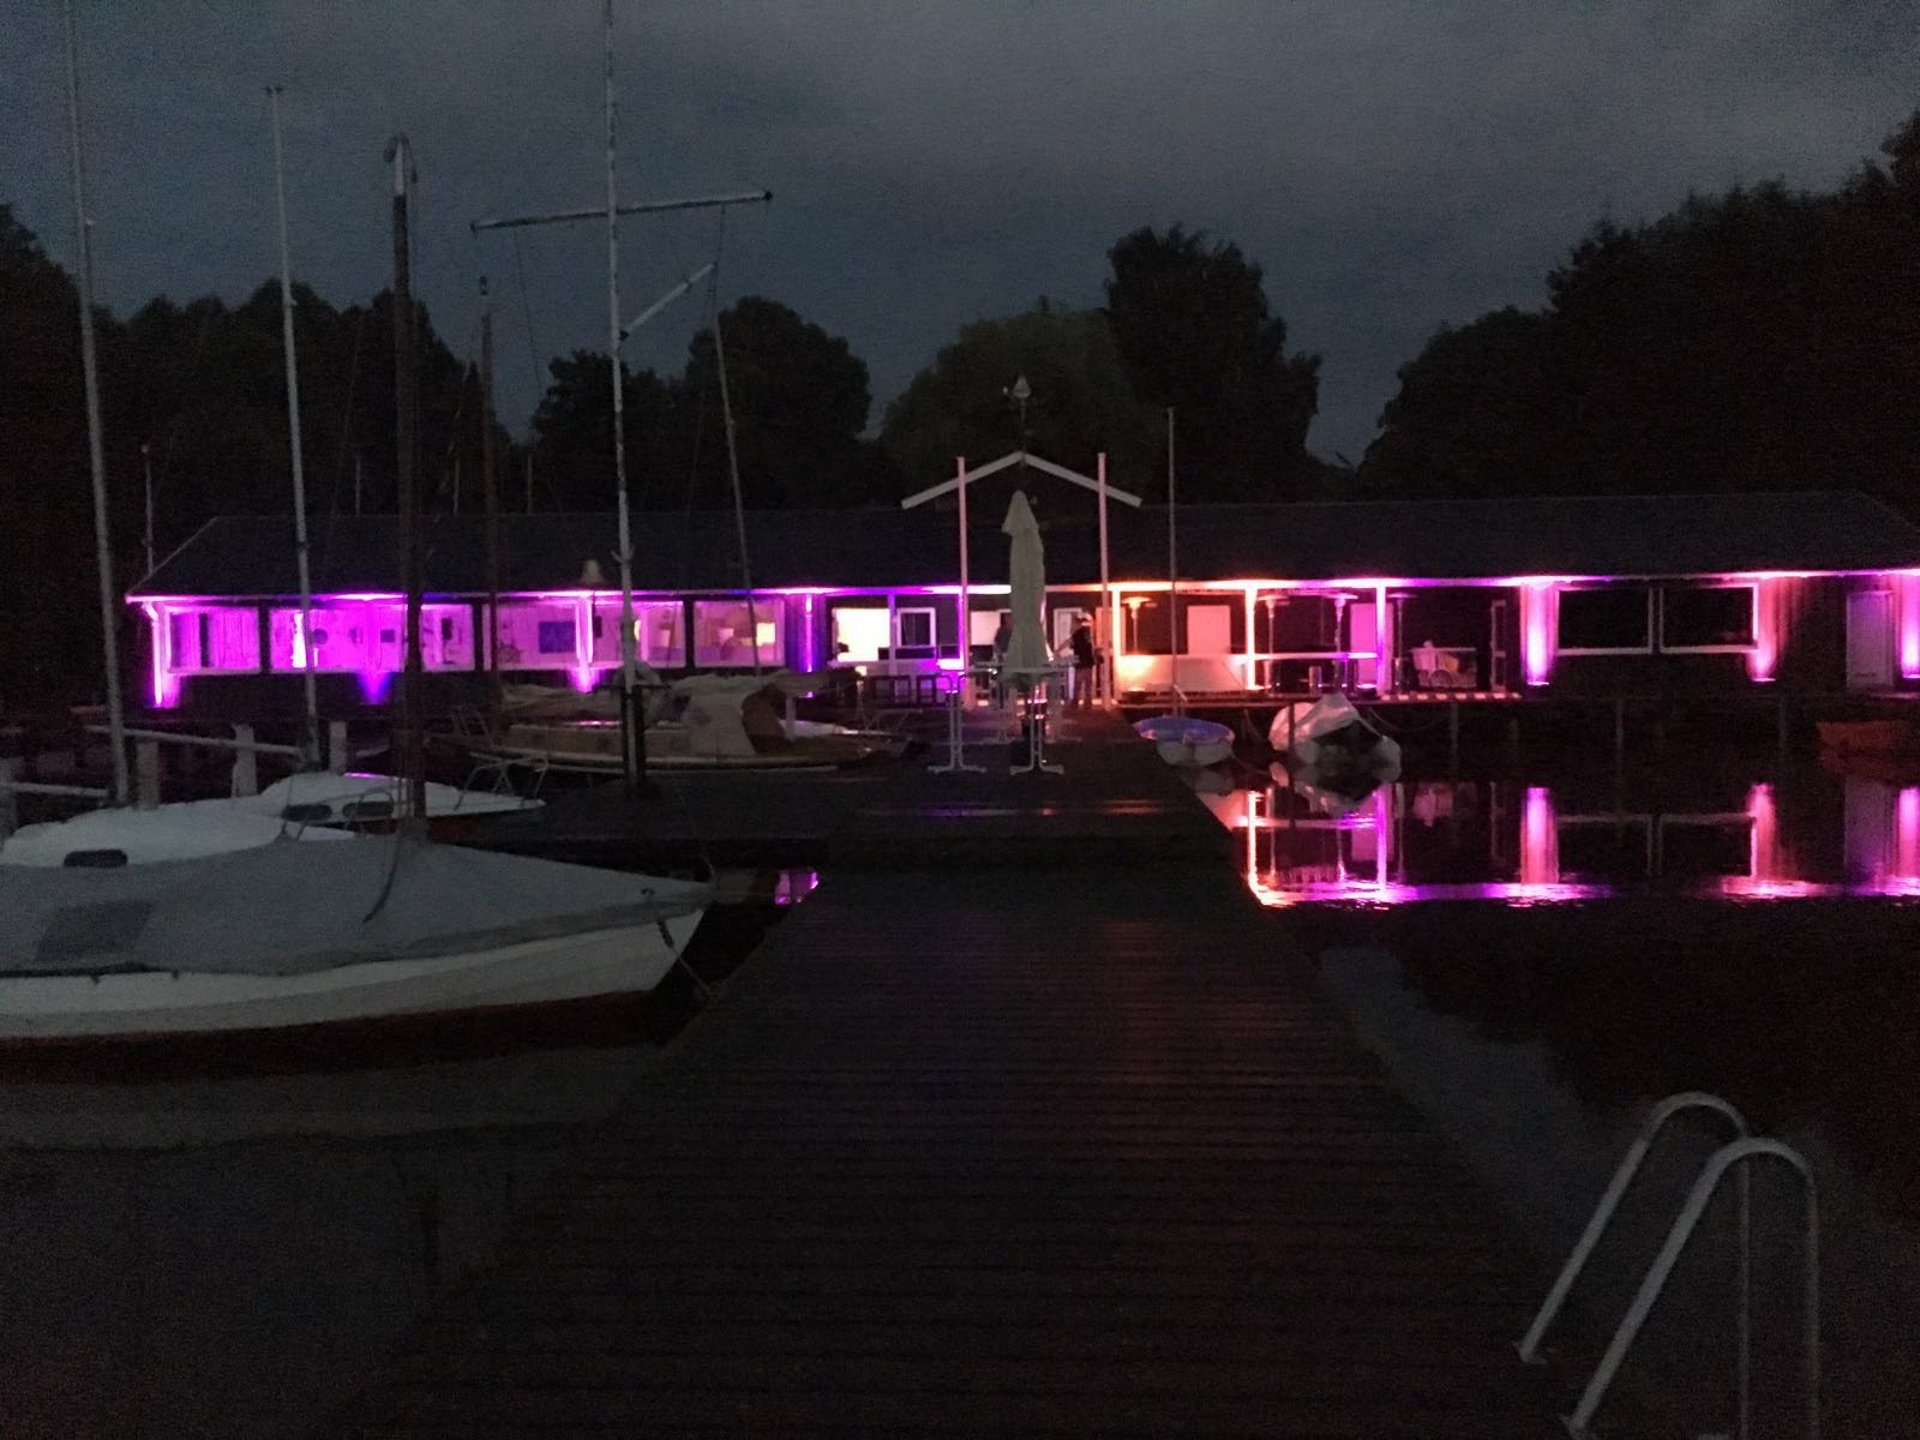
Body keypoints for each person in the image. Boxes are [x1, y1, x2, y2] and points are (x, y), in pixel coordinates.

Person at [1068, 617, 1098, 708]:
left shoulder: (1076, 635)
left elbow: (1071, 646)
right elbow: (1089, 646)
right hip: (1088, 662)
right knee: (1087, 684)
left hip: (1081, 663)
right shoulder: (1086, 634)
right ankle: (1087, 703)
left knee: (1078, 684)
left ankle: (1075, 702)